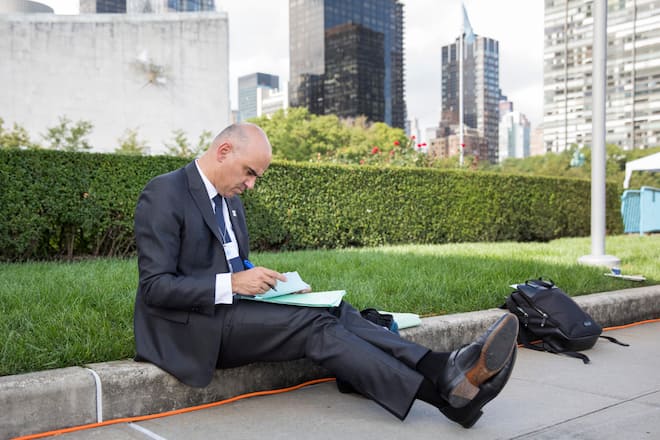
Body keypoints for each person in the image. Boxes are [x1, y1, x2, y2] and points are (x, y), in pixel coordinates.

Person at [133, 122, 518, 428]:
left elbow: (232, 262)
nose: (251, 185)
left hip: (233, 309)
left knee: (335, 308)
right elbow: (155, 288)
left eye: (256, 177)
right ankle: (444, 398)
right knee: (314, 325)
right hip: (189, 329)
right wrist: (232, 283)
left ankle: (439, 367)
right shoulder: (165, 193)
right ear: (223, 151)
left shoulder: (231, 202)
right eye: (249, 173)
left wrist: (270, 281)